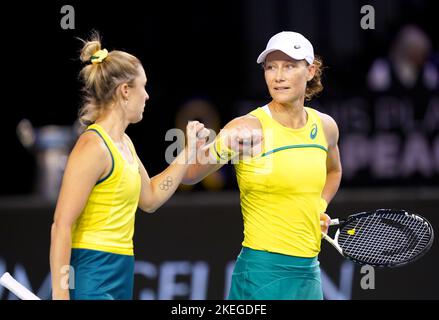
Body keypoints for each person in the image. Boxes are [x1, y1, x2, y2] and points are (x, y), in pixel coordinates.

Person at [183, 31, 342, 300]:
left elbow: (334, 171)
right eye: (271, 67)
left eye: (289, 66)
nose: (278, 76)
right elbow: (189, 176)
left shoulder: (325, 127)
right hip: (260, 275)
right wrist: (192, 148)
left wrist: (319, 206)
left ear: (311, 70)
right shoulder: (246, 127)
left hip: (308, 274)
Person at [49, 32, 208, 300]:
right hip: (92, 271)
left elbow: (151, 198)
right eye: (143, 86)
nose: (147, 96)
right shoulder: (93, 147)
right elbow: (61, 225)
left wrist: (188, 153)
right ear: (125, 90)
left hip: (121, 270)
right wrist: (60, 293)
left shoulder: (125, 144)